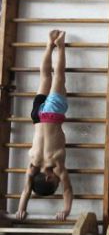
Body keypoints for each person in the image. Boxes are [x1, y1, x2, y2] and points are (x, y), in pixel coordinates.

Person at [16, 30, 73, 221]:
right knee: (45, 78)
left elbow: (67, 189)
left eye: (55, 182)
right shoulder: (32, 165)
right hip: (37, 117)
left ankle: (61, 45)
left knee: (59, 77)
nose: (59, 180)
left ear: (50, 178)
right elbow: (26, 189)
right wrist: (20, 210)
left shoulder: (55, 164)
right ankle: (49, 45)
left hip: (52, 116)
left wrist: (66, 210)